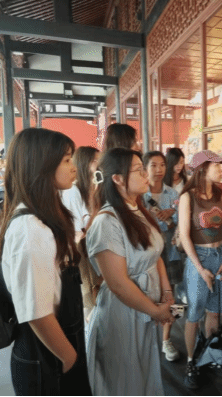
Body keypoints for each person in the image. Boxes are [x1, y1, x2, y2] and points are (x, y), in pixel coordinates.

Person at [0, 128, 91, 396]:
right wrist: (69, 358)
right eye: (67, 160)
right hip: (46, 357)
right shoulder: (30, 228)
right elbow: (37, 313)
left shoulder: (42, 218)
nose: (74, 168)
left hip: (55, 348)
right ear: (42, 166)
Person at [85, 147, 175, 396]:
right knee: (126, 378)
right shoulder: (107, 222)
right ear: (117, 178)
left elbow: (154, 255)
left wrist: (167, 292)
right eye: (139, 170)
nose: (147, 175)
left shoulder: (138, 209)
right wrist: (155, 311)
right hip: (124, 310)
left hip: (146, 304)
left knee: (144, 370)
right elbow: (118, 284)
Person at [178, 150, 222, 389]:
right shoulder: (187, 197)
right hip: (198, 258)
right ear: (202, 169)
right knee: (194, 312)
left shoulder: (221, 194)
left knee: (215, 312)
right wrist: (200, 269)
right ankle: (191, 361)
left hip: (219, 256)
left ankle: (211, 354)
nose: (221, 169)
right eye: (216, 166)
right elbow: (184, 235)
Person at [143, 151, 181, 362]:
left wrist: (171, 218)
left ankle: (167, 338)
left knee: (172, 296)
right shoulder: (140, 195)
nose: (159, 170)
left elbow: (181, 226)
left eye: (162, 165)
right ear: (145, 168)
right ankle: (148, 336)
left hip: (170, 250)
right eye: (153, 165)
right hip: (148, 250)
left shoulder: (173, 194)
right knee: (148, 291)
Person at [61, 146, 102, 319]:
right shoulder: (73, 190)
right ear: (86, 163)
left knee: (96, 297)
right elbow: (79, 232)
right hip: (81, 252)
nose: (100, 164)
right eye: (96, 161)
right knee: (89, 299)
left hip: (93, 249)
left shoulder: (92, 189)